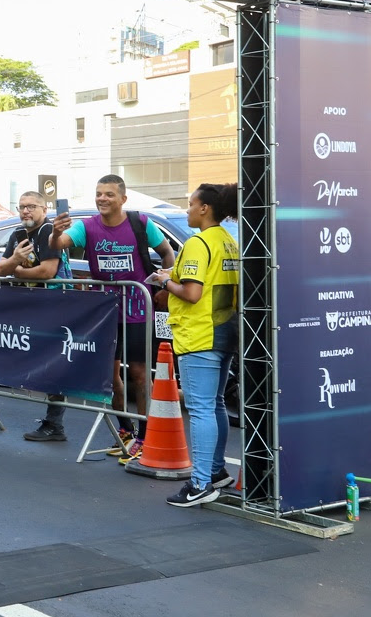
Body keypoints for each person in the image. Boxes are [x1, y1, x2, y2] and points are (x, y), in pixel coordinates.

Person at [51, 174, 176, 463]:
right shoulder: (87, 227)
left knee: (140, 375)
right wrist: (56, 232)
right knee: (110, 374)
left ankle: (147, 437)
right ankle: (125, 430)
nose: (102, 199)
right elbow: (59, 245)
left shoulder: (140, 222)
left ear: (122, 198)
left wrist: (164, 286)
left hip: (138, 309)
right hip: (105, 311)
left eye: (109, 194)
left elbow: (167, 252)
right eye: (98, 194)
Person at [146, 183, 239, 507]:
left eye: (190, 204)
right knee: (214, 405)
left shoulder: (198, 243)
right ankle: (215, 472)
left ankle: (200, 483)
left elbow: (192, 293)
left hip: (200, 334)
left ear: (204, 209)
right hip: (224, 330)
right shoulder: (228, 241)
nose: (186, 210)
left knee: (200, 409)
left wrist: (163, 281)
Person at [0, 191, 73, 441]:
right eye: (21, 207)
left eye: (31, 206)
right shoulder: (18, 234)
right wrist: (16, 260)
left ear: (44, 209)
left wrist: (16, 269)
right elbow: (0, 269)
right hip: (30, 307)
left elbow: (47, 271)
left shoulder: (49, 232)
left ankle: (54, 424)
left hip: (55, 305)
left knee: (53, 363)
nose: (25, 211)